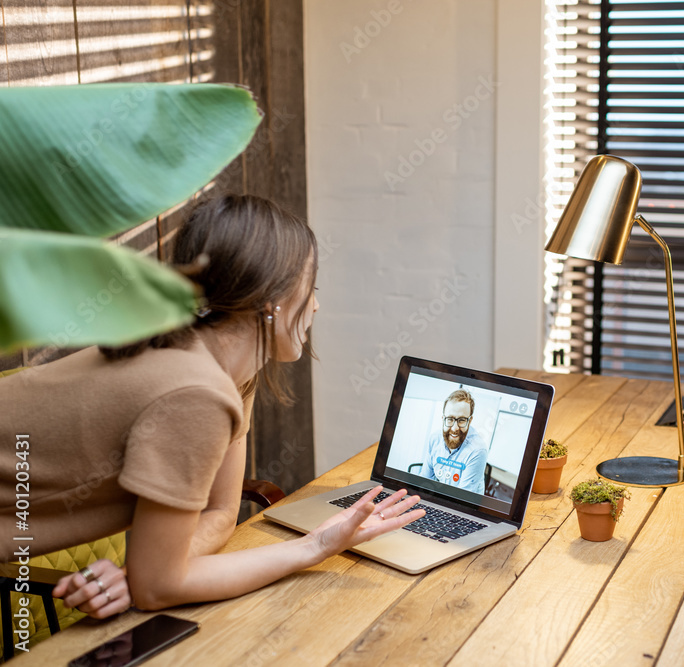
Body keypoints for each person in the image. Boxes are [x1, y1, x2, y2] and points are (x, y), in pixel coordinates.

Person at [0, 194, 424, 619]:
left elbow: (220, 511)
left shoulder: (221, 369)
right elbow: (158, 588)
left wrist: (136, 575)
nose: (316, 305)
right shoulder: (196, 392)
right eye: (310, 289)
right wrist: (314, 546)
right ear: (271, 301)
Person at [419, 389, 489, 495]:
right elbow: (424, 480)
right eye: (450, 419)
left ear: (469, 421)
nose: (455, 428)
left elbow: (463, 498)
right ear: (443, 419)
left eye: (461, 420)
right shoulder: (434, 439)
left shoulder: (478, 450)